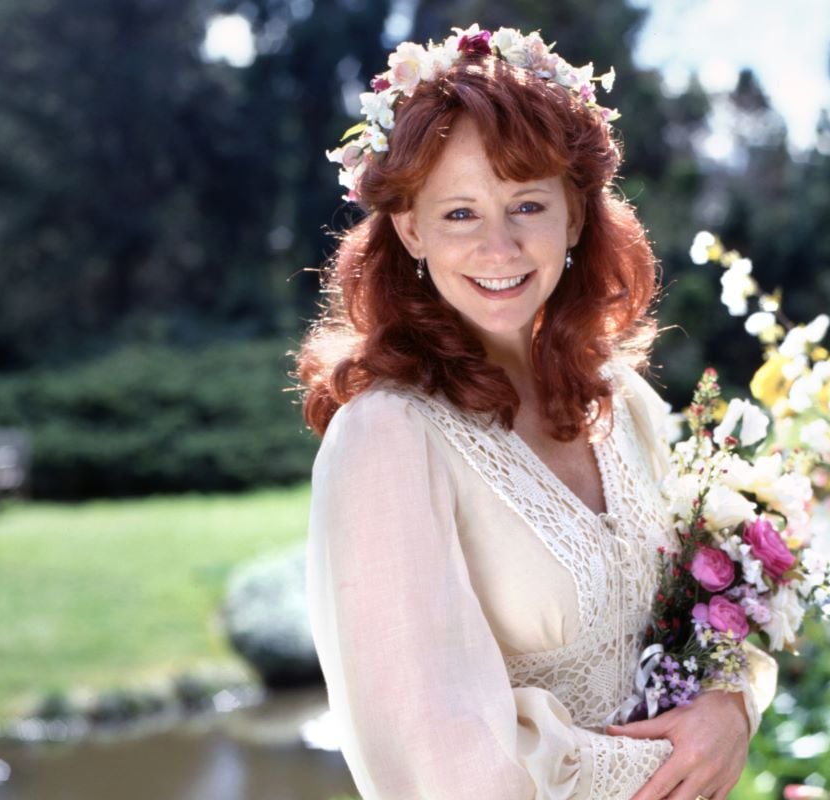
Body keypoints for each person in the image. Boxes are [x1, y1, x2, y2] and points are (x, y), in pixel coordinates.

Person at [297, 24, 778, 800]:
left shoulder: (627, 402)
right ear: (410, 227)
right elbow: (438, 762)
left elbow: (717, 601)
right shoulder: (388, 438)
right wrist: (670, 768)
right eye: (459, 214)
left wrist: (731, 705)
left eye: (527, 205)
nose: (500, 246)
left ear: (577, 217)